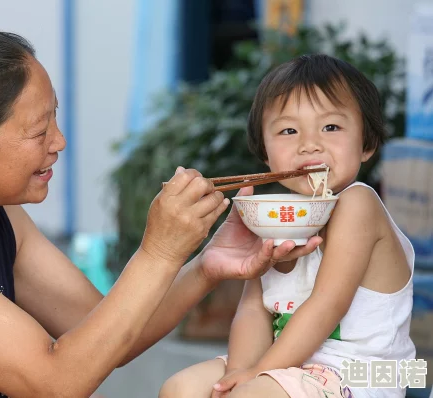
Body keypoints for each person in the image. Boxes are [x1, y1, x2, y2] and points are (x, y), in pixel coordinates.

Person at [0, 26, 321, 398]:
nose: (59, 143)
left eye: (55, 120)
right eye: (38, 131)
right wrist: (156, 251)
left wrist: (204, 266)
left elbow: (102, 335)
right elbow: (57, 382)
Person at [160, 54, 416, 398]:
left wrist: (257, 374)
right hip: (290, 364)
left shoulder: (358, 204)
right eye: (288, 130)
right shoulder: (275, 214)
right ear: (266, 154)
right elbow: (253, 308)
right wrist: (239, 370)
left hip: (365, 370)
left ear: (366, 143)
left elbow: (327, 303)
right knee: (180, 389)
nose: (309, 143)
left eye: (331, 127)